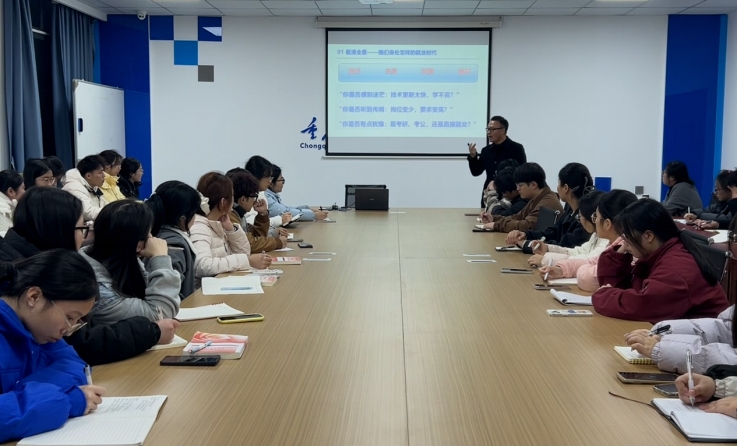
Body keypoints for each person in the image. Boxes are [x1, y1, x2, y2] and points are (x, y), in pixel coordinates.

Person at [0, 187, 178, 365]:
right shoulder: (30, 274)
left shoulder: (28, 262)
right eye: (82, 228)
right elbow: (78, 343)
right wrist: (160, 258)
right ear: (59, 230)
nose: (86, 237)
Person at [0, 250, 107, 442]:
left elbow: (75, 366)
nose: (68, 329)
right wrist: (67, 400)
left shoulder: (37, 331)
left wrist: (22, 395)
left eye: (76, 321)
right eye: (69, 317)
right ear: (34, 297)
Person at [591, 199, 728, 323]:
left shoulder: (676, 267)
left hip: (703, 339)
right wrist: (617, 258)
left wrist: (604, 295)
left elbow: (643, 306)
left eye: (627, 236)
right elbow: (626, 290)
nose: (624, 242)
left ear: (648, 236)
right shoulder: (659, 254)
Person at [81, 200, 182, 324]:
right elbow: (161, 315)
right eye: (149, 233)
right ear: (137, 245)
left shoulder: (118, 258)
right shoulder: (100, 293)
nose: (153, 239)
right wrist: (160, 258)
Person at [539, 189, 638, 292]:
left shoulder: (626, 250)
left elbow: (588, 278)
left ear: (607, 224)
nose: (594, 221)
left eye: (596, 216)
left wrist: (582, 268)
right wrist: (561, 269)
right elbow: (591, 261)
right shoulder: (612, 243)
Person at [191, 172, 271, 287]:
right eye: (232, 196)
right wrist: (247, 261)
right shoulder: (199, 227)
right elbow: (202, 266)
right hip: (204, 291)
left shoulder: (220, 222)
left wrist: (231, 230)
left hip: (219, 284)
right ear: (223, 202)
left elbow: (244, 253)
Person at [507, 163, 594, 250]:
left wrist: (527, 244)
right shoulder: (571, 209)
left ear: (565, 188)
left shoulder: (585, 218)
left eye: (558, 183)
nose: (557, 187)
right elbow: (553, 232)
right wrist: (526, 235)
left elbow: (564, 247)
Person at [147, 180, 201, 300]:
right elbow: (170, 291)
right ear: (182, 219)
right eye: (195, 213)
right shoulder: (175, 246)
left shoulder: (156, 232)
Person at [528, 190, 606, 267]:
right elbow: (578, 252)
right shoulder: (596, 235)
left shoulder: (607, 241)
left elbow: (588, 260)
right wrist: (548, 248)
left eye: (580, 217)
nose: (581, 221)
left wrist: (547, 260)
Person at [482, 163, 562, 233]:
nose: (517, 189)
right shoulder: (537, 198)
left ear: (533, 185)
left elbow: (527, 226)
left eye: (520, 185)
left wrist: (497, 225)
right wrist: (494, 218)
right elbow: (517, 217)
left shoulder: (547, 202)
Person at [467, 116, 527, 207]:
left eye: (492, 129)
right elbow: (476, 172)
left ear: (502, 130)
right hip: (490, 192)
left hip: (510, 193)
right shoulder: (486, 150)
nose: (489, 132)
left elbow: (522, 173)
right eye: (488, 129)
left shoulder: (516, 148)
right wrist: (473, 157)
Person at [227, 169, 288, 252]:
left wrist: (262, 215)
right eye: (254, 196)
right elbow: (248, 243)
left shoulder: (238, 213)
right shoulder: (230, 216)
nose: (255, 201)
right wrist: (277, 243)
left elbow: (256, 237)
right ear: (243, 199)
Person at [244, 156, 285, 230]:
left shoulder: (261, 193)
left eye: (271, 178)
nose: (270, 181)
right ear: (256, 177)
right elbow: (250, 223)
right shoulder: (246, 196)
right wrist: (279, 220)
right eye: (268, 177)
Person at [62, 155, 108, 221]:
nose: (104, 175)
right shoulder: (73, 188)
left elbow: (104, 204)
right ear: (88, 176)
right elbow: (88, 213)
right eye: (100, 172)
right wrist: (112, 212)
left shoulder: (92, 186)